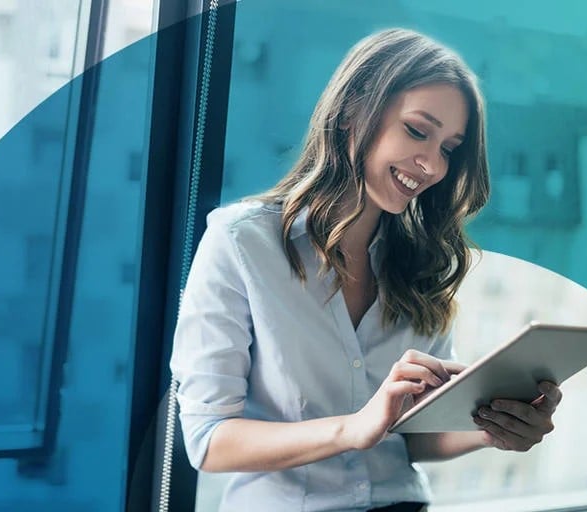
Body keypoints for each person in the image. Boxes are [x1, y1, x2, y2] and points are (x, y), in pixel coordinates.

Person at [170, 28, 561, 512]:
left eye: (448, 147)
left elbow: (413, 438)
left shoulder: (421, 264)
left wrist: (492, 430)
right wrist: (354, 428)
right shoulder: (241, 242)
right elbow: (208, 440)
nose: (432, 165)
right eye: (418, 130)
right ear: (355, 111)